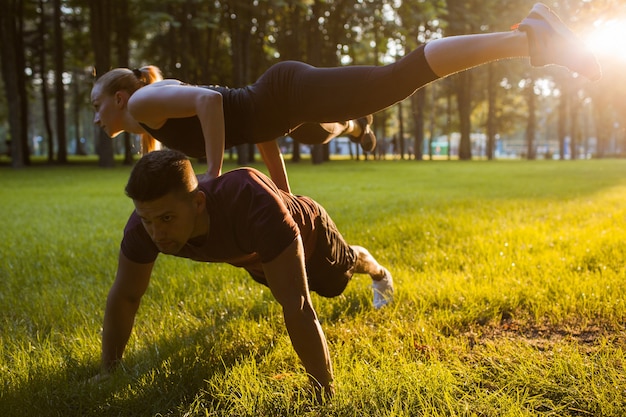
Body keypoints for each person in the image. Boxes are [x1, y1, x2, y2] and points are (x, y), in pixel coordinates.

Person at [90, 3, 601, 193]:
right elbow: (257, 129)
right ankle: (356, 126)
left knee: (393, 78)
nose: (94, 117)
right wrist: (284, 195)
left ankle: (528, 35)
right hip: (282, 111)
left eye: (96, 105)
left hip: (282, 91)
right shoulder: (148, 120)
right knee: (318, 132)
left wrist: (216, 175)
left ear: (118, 97)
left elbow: (215, 106)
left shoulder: (143, 103)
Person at [95, 149, 394, 400]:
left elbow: (298, 305)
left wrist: (322, 389)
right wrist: (109, 371)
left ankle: (375, 269)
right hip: (258, 258)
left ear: (198, 203)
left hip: (311, 236)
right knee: (277, 284)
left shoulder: (250, 198)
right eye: (147, 220)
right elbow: (126, 296)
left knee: (334, 284)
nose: (157, 233)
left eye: (167, 219)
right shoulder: (143, 228)